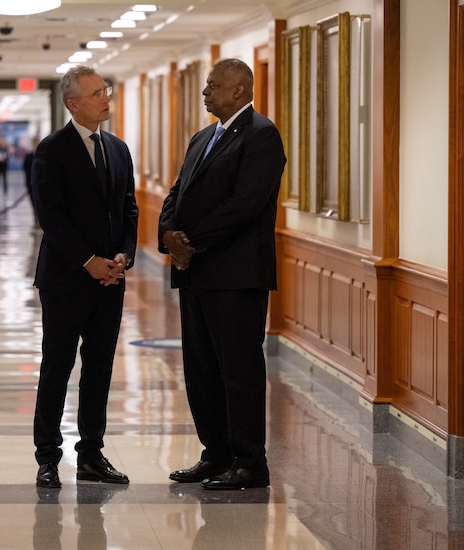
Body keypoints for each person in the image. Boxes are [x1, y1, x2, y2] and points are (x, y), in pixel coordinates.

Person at [158, 58, 286, 490]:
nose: (205, 92)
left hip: (235, 275)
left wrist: (189, 241)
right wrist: (168, 234)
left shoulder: (262, 136)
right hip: (195, 274)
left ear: (238, 91)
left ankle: (249, 462)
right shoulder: (202, 137)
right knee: (202, 370)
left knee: (239, 370)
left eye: (212, 86)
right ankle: (216, 455)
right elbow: (177, 192)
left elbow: (245, 205)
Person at [32, 66, 139, 488]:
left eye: (106, 91)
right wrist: (87, 261)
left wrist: (122, 256)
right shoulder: (51, 150)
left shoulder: (118, 148)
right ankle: (47, 457)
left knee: (99, 369)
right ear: (73, 104)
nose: (105, 98)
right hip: (65, 280)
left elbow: (128, 208)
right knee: (56, 367)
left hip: (111, 280)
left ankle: (92, 454)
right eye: (97, 93)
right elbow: (51, 217)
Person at [23, 136, 41, 226]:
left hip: (41, 184)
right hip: (31, 183)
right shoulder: (29, 156)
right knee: (34, 202)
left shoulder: (43, 154)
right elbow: (26, 169)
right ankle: (36, 218)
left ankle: (39, 218)